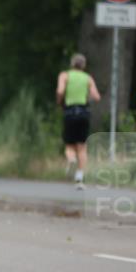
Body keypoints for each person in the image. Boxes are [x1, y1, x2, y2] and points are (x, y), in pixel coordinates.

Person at [56, 53, 101, 189]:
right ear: (84, 65)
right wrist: (86, 99)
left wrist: (59, 101)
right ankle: (79, 179)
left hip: (70, 112)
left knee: (69, 145)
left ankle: (71, 159)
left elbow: (60, 90)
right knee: (82, 147)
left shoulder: (65, 75)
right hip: (84, 113)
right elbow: (97, 97)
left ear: (72, 64)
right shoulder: (88, 78)